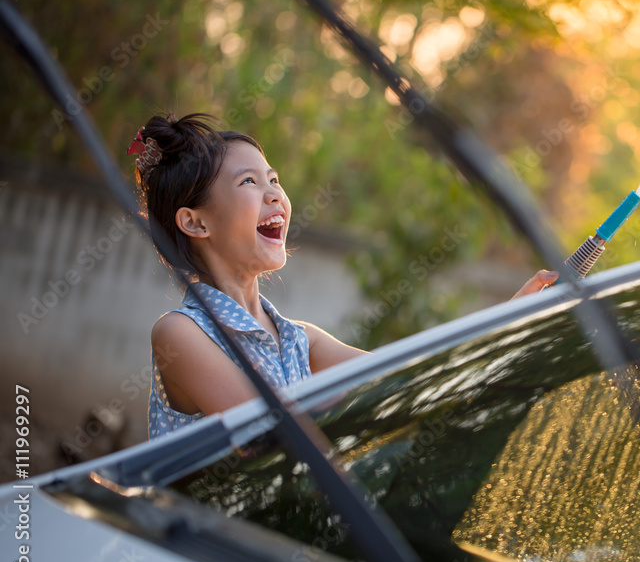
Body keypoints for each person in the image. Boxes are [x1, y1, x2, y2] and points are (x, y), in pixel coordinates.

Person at [133, 112, 557, 440]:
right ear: (195, 223)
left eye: (274, 179)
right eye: (248, 181)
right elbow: (275, 438)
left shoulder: (302, 340)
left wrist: (506, 324)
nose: (275, 194)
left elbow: (414, 380)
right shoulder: (180, 334)